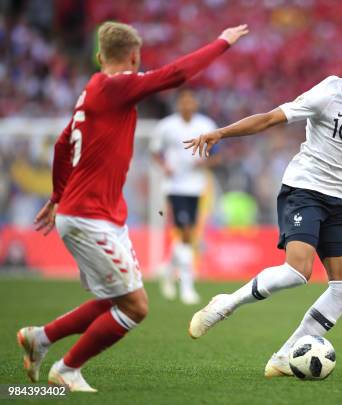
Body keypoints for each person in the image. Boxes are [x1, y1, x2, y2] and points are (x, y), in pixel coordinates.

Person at [17, 21, 248, 392]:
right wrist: (222, 41)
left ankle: (40, 338)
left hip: (98, 214)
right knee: (136, 306)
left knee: (116, 298)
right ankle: (67, 369)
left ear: (98, 56)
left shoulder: (91, 88)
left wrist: (58, 195)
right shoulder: (116, 86)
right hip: (88, 216)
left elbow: (63, 145)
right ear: (134, 56)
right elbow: (178, 73)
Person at [184, 44, 342, 377]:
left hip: (338, 201)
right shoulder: (326, 93)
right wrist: (221, 133)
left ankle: (284, 356)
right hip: (304, 189)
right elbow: (270, 119)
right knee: (298, 271)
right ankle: (225, 304)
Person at [151, 89, 219, 305]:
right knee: (187, 232)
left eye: (191, 101)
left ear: (196, 104)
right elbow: (155, 151)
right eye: (184, 101)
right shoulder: (166, 126)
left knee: (186, 234)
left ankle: (168, 268)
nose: (188, 105)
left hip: (197, 187)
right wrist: (165, 166)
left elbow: (217, 156)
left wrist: (205, 163)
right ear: (178, 104)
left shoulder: (206, 125)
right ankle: (187, 287)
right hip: (174, 186)